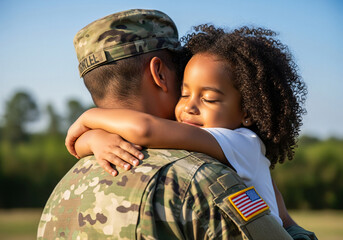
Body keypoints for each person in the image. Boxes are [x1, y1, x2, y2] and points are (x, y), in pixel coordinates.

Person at [38, 9, 300, 240]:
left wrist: (89, 125)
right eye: (185, 91)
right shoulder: (202, 179)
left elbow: (145, 130)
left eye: (208, 98)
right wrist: (93, 135)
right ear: (160, 73)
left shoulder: (62, 193)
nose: (189, 107)